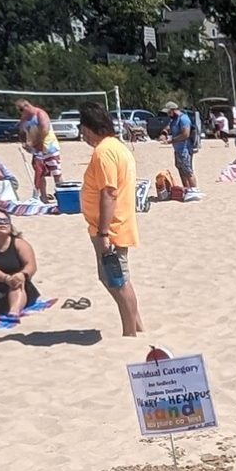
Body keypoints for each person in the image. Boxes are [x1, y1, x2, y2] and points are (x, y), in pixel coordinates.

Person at [78, 101, 143, 337]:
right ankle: (136, 326)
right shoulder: (117, 147)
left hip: (111, 228)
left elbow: (109, 192)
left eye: (83, 129)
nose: (82, 135)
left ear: (90, 127)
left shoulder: (104, 152)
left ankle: (130, 333)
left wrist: (104, 233)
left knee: (115, 279)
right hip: (116, 224)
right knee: (118, 278)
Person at [17, 100, 60, 203]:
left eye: (22, 110)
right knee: (39, 173)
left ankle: (61, 196)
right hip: (37, 150)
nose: (21, 112)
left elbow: (44, 130)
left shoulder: (40, 114)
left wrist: (33, 142)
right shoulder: (24, 119)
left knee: (56, 172)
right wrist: (24, 142)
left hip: (49, 148)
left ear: (27, 106)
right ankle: (43, 197)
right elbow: (22, 131)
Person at [164, 101, 197, 197]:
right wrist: (164, 133)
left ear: (173, 110)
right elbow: (168, 128)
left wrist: (172, 140)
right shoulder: (174, 120)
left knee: (188, 170)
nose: (168, 114)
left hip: (185, 149)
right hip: (178, 149)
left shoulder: (184, 119)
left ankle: (194, 190)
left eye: (169, 112)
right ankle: (186, 189)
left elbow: (185, 134)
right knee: (180, 168)